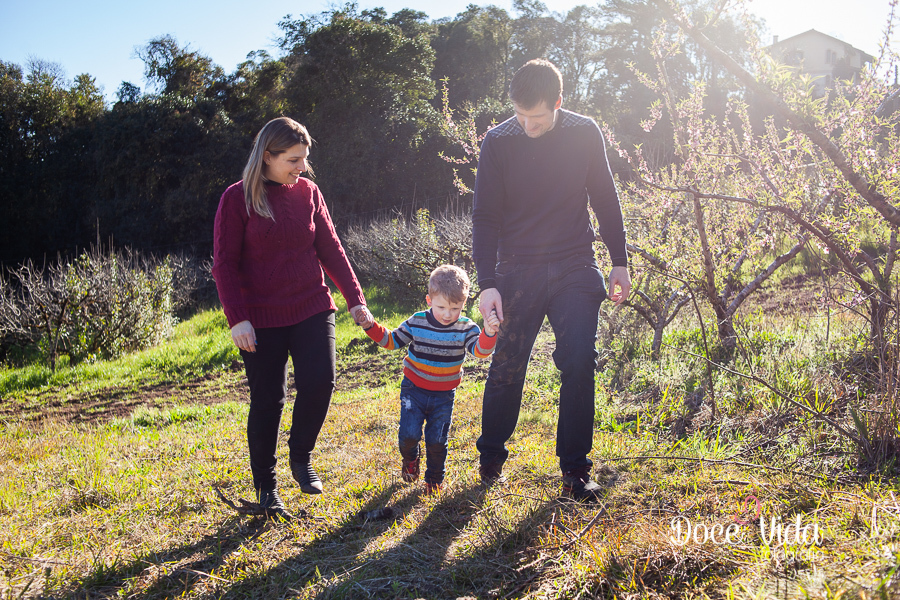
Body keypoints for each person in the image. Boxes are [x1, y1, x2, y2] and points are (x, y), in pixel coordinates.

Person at [471, 59, 631, 501]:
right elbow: (485, 216)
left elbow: (604, 195)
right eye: (520, 116)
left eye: (537, 118)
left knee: (579, 359)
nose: (527, 125)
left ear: (558, 103)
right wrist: (488, 284)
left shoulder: (584, 131)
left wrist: (620, 260)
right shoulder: (498, 141)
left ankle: (576, 470)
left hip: (574, 263)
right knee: (508, 364)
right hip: (516, 268)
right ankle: (491, 458)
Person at [212, 116, 374, 520]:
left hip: (311, 305)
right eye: (294, 159)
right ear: (268, 157)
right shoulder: (237, 199)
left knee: (321, 381)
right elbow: (225, 264)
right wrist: (237, 319)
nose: (301, 167)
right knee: (269, 401)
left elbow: (331, 249)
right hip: (259, 319)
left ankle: (300, 457)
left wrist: (354, 298)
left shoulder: (308, 193)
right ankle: (267, 489)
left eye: (304, 159)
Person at [356, 265, 500, 495]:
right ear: (429, 299)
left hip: (444, 396)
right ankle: (410, 458)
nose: (447, 314)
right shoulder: (417, 321)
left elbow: (480, 351)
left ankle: (433, 480)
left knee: (436, 441)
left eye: (455, 308)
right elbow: (392, 341)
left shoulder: (466, 327)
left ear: (464, 305)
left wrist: (489, 332)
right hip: (413, 390)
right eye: (441, 306)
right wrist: (370, 326)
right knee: (409, 435)